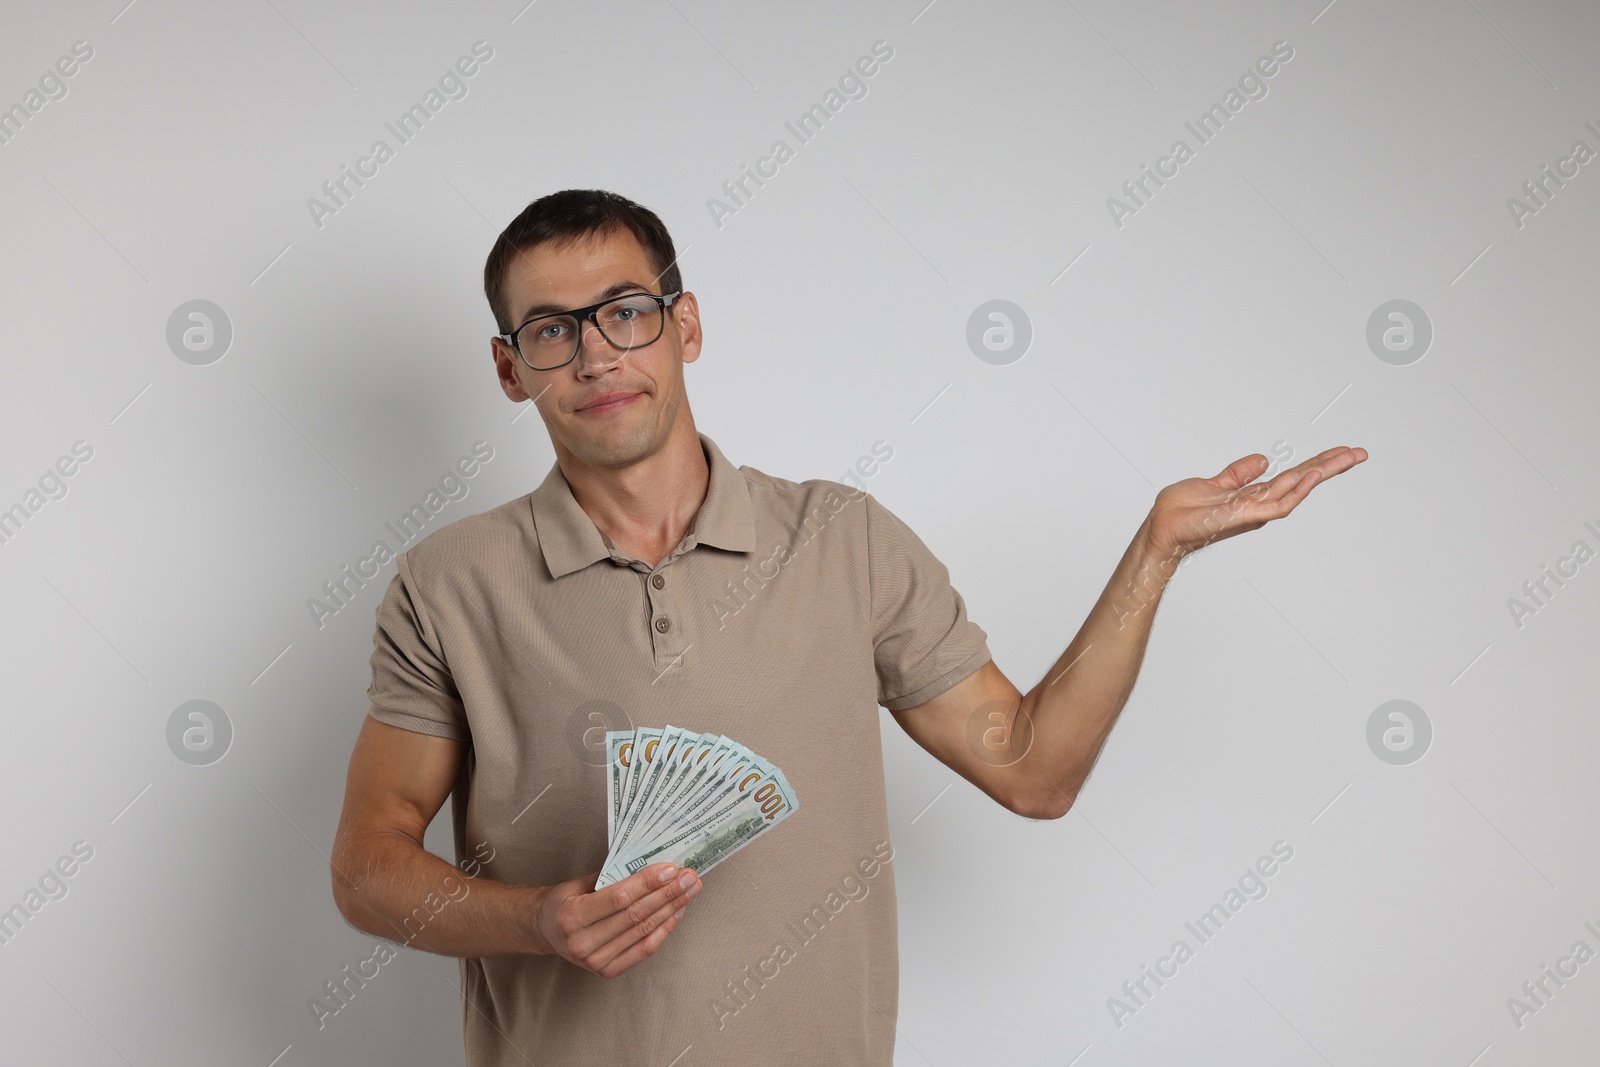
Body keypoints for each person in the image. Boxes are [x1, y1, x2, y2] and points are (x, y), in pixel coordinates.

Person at [330, 189, 1366, 1065]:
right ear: (512, 368)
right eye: (553, 329)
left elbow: (1031, 769)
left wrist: (1154, 555)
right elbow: (367, 868)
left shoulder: (843, 538)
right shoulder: (449, 582)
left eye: (625, 311)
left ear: (685, 326)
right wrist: (537, 922)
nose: (597, 354)